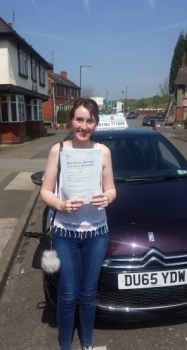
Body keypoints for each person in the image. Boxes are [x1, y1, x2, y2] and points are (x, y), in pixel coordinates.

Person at [40, 98, 116, 350]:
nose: (84, 126)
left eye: (89, 120)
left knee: (88, 295)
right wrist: (60, 205)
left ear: (96, 123)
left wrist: (107, 197)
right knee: (67, 295)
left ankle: (87, 343)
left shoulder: (102, 151)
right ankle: (65, 345)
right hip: (65, 233)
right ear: (71, 120)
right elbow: (46, 191)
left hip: (96, 233)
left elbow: (111, 189)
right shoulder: (58, 150)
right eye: (79, 119)